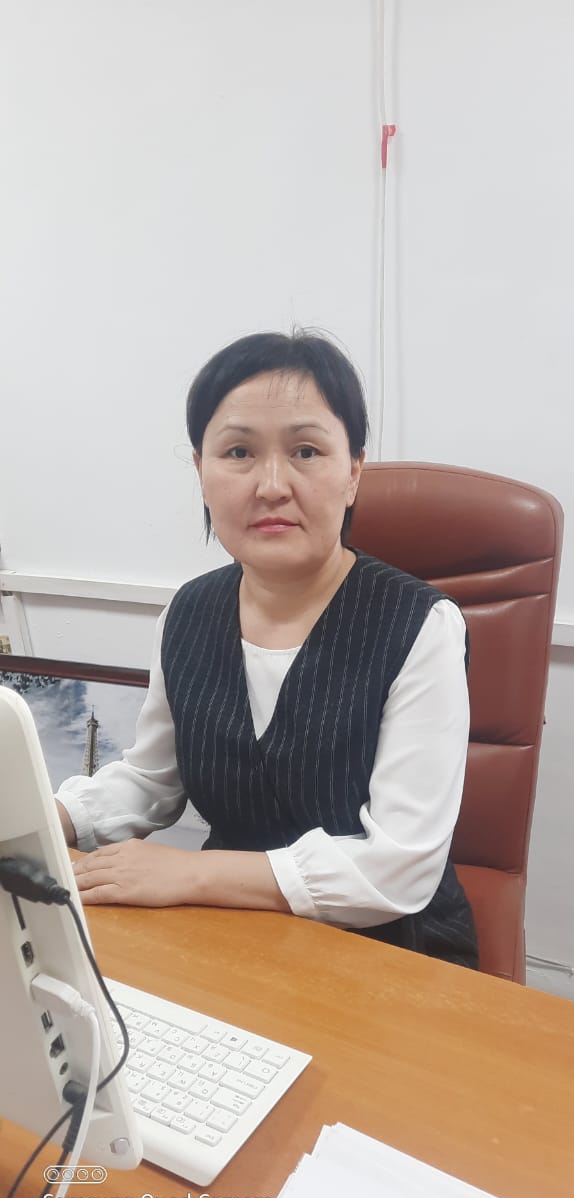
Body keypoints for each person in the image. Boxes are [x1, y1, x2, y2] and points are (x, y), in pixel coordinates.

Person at [56, 330, 478, 969]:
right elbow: (151, 780)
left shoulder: (421, 625)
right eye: (238, 452)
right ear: (201, 472)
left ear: (353, 471)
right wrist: (44, 816)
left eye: (306, 451)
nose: (272, 485)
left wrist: (189, 874)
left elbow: (397, 868)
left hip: (390, 951)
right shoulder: (187, 613)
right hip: (231, 934)